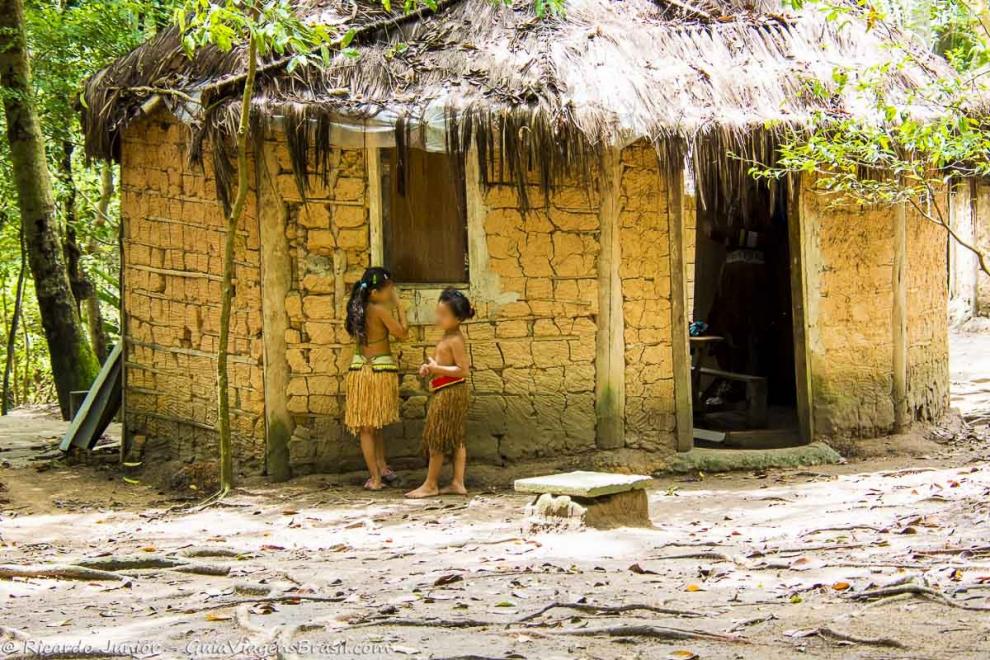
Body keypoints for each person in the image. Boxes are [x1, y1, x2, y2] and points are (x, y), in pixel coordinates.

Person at [344, 267, 409, 490]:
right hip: (377, 372)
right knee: (369, 428)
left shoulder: (357, 309)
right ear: (374, 293)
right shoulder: (379, 310)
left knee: (373, 425)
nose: (391, 293)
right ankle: (376, 478)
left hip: (360, 371)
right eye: (388, 290)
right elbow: (402, 332)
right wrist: (400, 308)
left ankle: (381, 468)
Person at [405, 288, 474, 498]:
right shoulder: (448, 335)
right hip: (445, 390)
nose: (439, 318)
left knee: (438, 439)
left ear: (458, 318)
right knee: (455, 438)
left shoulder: (455, 339)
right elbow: (444, 364)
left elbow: (463, 370)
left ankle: (431, 484)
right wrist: (429, 368)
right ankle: (457, 483)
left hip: (450, 392)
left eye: (444, 315)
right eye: (439, 313)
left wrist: (436, 369)